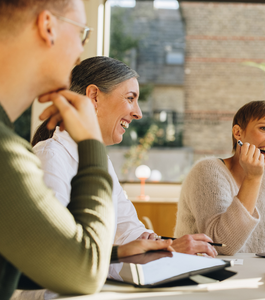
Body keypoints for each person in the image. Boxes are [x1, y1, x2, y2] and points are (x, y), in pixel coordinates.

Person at [0, 0, 172, 299]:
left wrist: (120, 252)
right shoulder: (13, 155)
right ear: (47, 27)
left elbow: (26, 266)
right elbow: (81, 273)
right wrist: (90, 143)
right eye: (83, 34)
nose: (81, 52)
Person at [31, 56, 217, 258]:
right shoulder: (49, 157)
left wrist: (159, 244)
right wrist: (164, 251)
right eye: (130, 98)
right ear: (94, 96)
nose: (138, 113)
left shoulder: (100, 161)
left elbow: (129, 231)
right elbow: (60, 250)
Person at [175, 100, 265, 255]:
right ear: (238, 133)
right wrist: (253, 178)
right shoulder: (207, 171)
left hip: (258, 276)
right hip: (208, 275)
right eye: (264, 128)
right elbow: (222, 244)